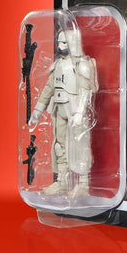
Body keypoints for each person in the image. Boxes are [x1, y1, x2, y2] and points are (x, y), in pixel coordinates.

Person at [29, 28, 98, 198]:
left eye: (64, 42)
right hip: (59, 109)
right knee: (59, 146)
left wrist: (80, 113)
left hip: (75, 111)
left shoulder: (81, 65)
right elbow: (48, 89)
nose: (61, 46)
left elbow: (85, 91)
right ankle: (62, 182)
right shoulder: (58, 65)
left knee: (80, 145)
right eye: (59, 42)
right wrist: (38, 110)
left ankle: (83, 183)